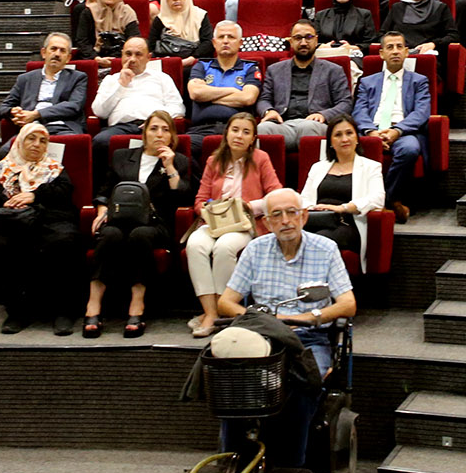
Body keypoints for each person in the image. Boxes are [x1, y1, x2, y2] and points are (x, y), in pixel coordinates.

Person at [215, 187, 359, 467]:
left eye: (292, 213)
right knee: (229, 382)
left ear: (304, 216)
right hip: (264, 336)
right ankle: (231, 462)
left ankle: (292, 468)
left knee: (304, 388)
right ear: (267, 222)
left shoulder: (326, 249)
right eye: (276, 215)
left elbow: (348, 304)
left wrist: (310, 316)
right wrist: (255, 318)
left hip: (309, 338)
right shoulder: (255, 249)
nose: (285, 221)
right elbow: (226, 303)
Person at [87, 108, 188, 338]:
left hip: (155, 224)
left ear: (172, 137)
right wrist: (102, 211)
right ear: (144, 134)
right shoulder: (122, 156)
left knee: (139, 235)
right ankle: (93, 305)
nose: (159, 134)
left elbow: (181, 198)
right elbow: (105, 191)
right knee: (109, 234)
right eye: (154, 129)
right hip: (119, 218)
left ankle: (137, 304)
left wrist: (170, 167)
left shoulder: (179, 161)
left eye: (165, 130)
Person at [0, 121, 81, 335]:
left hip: (51, 220)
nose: (37, 144)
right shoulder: (3, 168)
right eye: (31, 139)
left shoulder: (53, 168)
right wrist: (6, 200)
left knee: (64, 241)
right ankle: (17, 312)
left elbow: (64, 192)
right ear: (20, 142)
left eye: (43, 141)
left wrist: (35, 196)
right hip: (17, 224)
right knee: (2, 246)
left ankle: (64, 312)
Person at [186, 111, 284, 338]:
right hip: (215, 223)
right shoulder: (213, 160)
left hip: (245, 223)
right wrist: (209, 210)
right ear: (226, 133)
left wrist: (249, 206)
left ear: (253, 138)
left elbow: (276, 194)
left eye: (246, 132)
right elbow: (199, 201)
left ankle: (223, 308)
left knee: (225, 247)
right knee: (195, 244)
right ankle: (211, 312)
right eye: (235, 130)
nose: (239, 135)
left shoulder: (261, 159)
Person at [351, 31, 430, 219]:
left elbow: (421, 112)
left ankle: (388, 198)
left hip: (403, 132)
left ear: (407, 52)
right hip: (371, 130)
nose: (395, 51)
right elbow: (359, 112)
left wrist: (396, 131)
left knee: (410, 149)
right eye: (390, 47)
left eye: (399, 47)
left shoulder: (419, 81)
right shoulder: (367, 82)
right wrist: (371, 132)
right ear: (381, 54)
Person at [90, 37, 182, 173]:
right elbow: (99, 112)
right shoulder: (111, 80)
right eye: (128, 54)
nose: (132, 59)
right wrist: (121, 84)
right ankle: (103, 190)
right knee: (100, 141)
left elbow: (178, 108)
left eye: (138, 54)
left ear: (148, 58)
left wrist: (154, 121)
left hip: (154, 127)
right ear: (121, 55)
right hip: (121, 127)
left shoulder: (162, 78)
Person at [257, 22, 353, 153]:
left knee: (308, 128)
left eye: (308, 37)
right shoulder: (274, 70)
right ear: (290, 41)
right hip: (283, 124)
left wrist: (323, 115)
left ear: (316, 40)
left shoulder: (333, 70)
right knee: (262, 129)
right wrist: (269, 111)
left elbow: (345, 103)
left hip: (317, 125)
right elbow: (263, 99)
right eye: (297, 38)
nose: (303, 42)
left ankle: (310, 174)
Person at [298, 116, 384, 257]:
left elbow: (378, 198)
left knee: (318, 240)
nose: (345, 139)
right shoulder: (318, 167)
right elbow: (304, 198)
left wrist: (342, 208)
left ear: (357, 138)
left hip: (348, 224)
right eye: (338, 135)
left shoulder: (371, 167)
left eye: (349, 133)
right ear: (330, 142)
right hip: (318, 220)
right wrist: (317, 207)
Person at [187, 22, 260, 134]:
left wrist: (206, 98)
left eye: (231, 37)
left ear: (240, 43)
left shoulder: (250, 68)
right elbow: (196, 93)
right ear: (214, 43)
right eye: (221, 37)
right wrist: (233, 91)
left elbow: (247, 98)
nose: (225, 41)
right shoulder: (201, 65)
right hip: (200, 130)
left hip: (236, 132)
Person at [74, 0, 141, 62]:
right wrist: (96, 58)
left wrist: (119, 60)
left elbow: (134, 40)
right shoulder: (89, 12)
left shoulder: (127, 12)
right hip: (94, 59)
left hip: (122, 60)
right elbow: (82, 41)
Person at [385, 0, 454, 52]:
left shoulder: (440, 8)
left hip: (428, 54)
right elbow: (383, 34)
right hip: (400, 53)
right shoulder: (397, 8)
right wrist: (395, 46)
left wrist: (434, 44)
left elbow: (453, 35)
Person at [147, 0, 213, 60]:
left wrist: (192, 58)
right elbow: (152, 46)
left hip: (195, 61)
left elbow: (208, 43)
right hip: (168, 61)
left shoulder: (200, 15)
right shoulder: (160, 19)